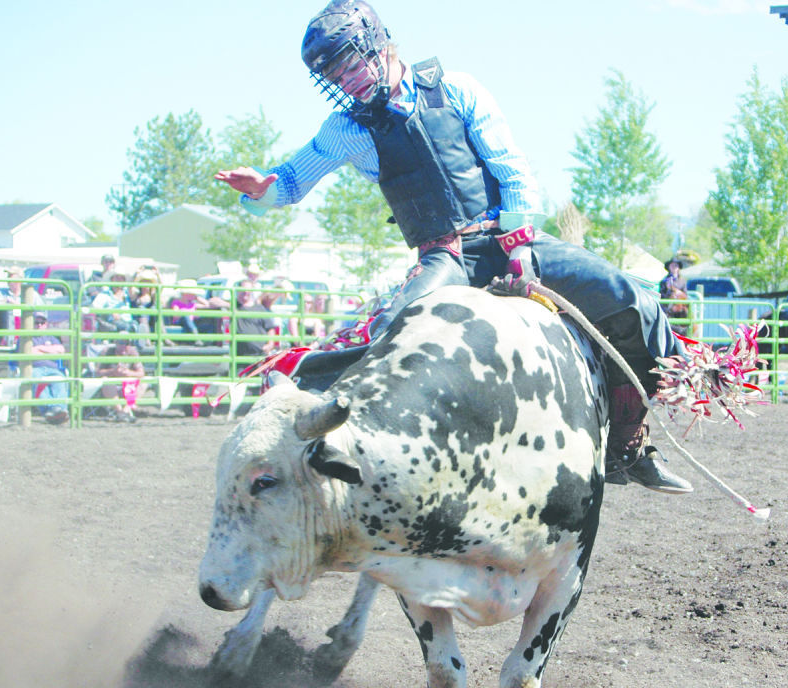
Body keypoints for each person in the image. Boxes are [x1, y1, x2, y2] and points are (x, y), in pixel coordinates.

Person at [215, 0, 701, 494]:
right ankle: (295, 417)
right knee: (386, 332)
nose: (346, 81)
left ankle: (627, 446)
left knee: (628, 297)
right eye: (335, 75)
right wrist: (262, 191)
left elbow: (512, 171)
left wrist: (519, 251)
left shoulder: (456, 89)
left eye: (349, 64)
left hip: (508, 235)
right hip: (444, 257)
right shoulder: (347, 130)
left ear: (377, 45)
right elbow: (294, 178)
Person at [29, 310, 70, 424]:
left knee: (60, 379)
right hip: (35, 368)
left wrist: (39, 349)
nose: (39, 325)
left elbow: (61, 350)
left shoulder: (51, 337)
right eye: (36, 323)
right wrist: (50, 351)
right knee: (36, 380)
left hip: (52, 368)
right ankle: (53, 410)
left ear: (46, 325)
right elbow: (30, 352)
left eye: (42, 323)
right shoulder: (26, 337)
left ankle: (59, 410)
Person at [95, 339, 145, 422]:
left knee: (142, 383)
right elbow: (98, 372)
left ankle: (124, 411)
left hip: (128, 384)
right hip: (112, 385)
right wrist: (112, 371)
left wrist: (129, 373)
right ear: (116, 343)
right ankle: (119, 410)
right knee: (106, 381)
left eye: (127, 343)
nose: (124, 346)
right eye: (121, 342)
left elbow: (141, 373)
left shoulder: (132, 352)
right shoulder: (107, 352)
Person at [233, 280, 277, 360]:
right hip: (240, 355)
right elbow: (214, 301)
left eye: (249, 290)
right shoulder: (234, 306)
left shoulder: (259, 308)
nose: (246, 292)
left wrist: (270, 344)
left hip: (260, 354)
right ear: (238, 290)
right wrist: (230, 306)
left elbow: (270, 328)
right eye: (243, 289)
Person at [659, 258, 689, 336]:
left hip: (681, 307)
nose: (674, 268)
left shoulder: (682, 281)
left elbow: (685, 294)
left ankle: (686, 331)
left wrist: (678, 293)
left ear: (678, 268)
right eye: (672, 266)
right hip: (669, 306)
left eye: (676, 266)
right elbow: (662, 295)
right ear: (669, 268)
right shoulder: (664, 281)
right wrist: (668, 290)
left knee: (688, 313)